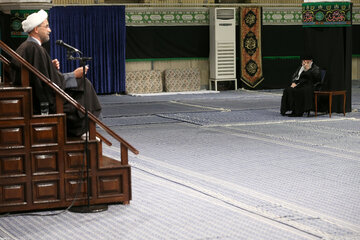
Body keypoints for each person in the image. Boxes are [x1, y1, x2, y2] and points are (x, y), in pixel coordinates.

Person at [11, 9, 101, 137]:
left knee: (83, 84)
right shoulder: (33, 48)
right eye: (46, 26)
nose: (50, 30)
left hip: (38, 95)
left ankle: (85, 127)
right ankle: (82, 129)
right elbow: (48, 82)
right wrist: (74, 75)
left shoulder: (27, 46)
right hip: (42, 101)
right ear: (36, 29)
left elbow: (42, 75)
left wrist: (50, 67)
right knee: (84, 84)